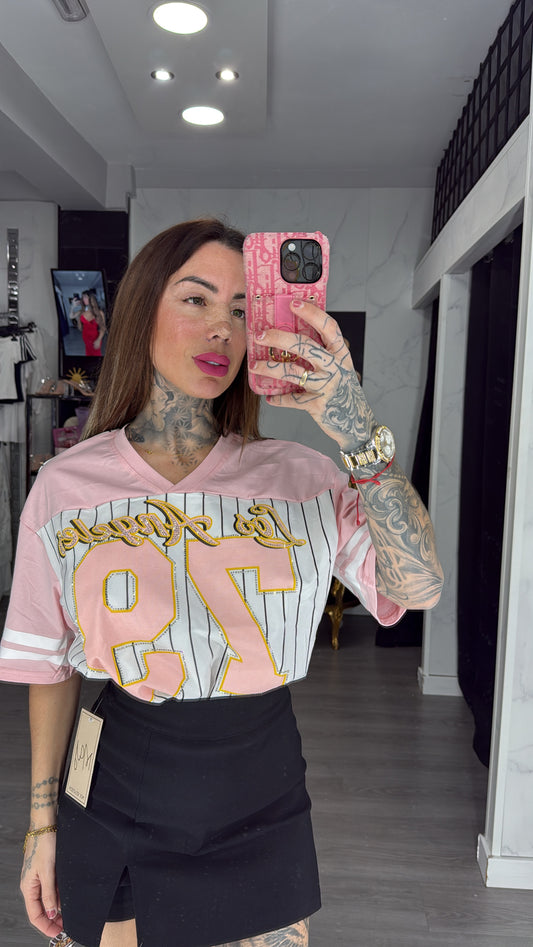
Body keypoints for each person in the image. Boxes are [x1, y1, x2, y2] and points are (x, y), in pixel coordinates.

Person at [0, 219, 443, 947]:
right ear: (141, 311)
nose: (222, 329)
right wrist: (40, 825)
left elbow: (418, 587)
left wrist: (357, 428)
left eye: (243, 309)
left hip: (258, 788)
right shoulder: (66, 486)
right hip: (116, 778)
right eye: (197, 299)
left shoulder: (302, 478)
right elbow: (47, 665)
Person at [79, 289, 106, 356]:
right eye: (83, 297)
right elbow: (71, 316)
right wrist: (72, 307)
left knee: (96, 354)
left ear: (91, 298)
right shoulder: (82, 312)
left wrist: (99, 340)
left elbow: (103, 328)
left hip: (95, 339)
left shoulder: (100, 313)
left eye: (85, 297)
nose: (83, 299)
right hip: (86, 338)